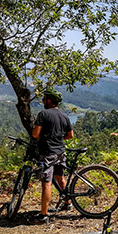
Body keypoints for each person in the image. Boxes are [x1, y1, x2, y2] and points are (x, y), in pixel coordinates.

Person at [29, 88, 74, 225]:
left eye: (44, 99)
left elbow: (35, 134)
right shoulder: (64, 116)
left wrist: (45, 136)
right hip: (60, 152)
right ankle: (68, 203)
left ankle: (43, 215)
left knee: (46, 183)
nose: (43, 101)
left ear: (49, 100)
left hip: (47, 152)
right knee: (60, 178)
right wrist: (57, 138)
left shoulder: (43, 114)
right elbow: (70, 135)